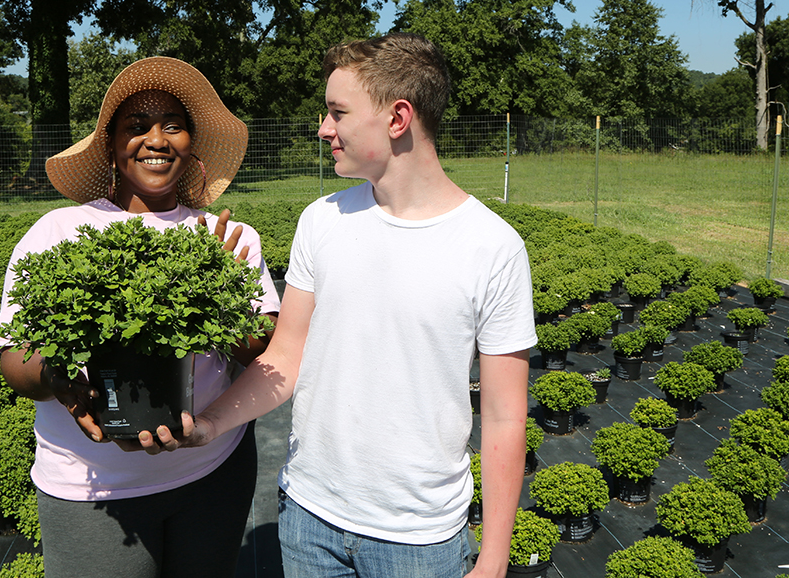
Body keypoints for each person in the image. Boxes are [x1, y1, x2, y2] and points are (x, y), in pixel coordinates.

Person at [145, 33, 537, 577]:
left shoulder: (492, 248)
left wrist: (494, 557)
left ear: (398, 118)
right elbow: (285, 356)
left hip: (418, 540)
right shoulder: (321, 221)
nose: (324, 128)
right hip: (308, 519)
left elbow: (502, 416)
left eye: (337, 112)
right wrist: (209, 425)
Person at [0, 56, 281, 578]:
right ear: (110, 146)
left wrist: (226, 293)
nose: (156, 139)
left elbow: (258, 346)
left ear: (191, 146)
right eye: (137, 126)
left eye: (173, 126)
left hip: (212, 470)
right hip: (92, 485)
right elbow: (16, 359)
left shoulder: (225, 238)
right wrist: (56, 377)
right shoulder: (59, 232)